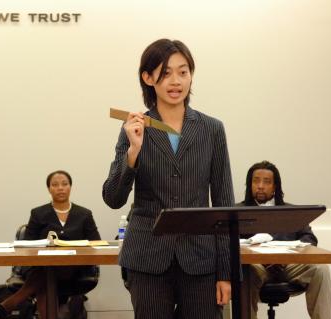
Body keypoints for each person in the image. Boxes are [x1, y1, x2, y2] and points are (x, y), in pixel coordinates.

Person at [103, 39, 234, 319]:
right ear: (148, 78)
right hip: (148, 257)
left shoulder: (212, 129)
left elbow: (224, 203)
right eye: (165, 73)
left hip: (200, 259)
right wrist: (133, 152)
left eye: (183, 72)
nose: (175, 81)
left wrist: (226, 272)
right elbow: (112, 198)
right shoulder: (134, 127)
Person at [0, 170, 101, 319]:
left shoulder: (84, 214)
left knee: (46, 276)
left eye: (64, 184)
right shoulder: (38, 213)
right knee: (47, 273)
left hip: (75, 269)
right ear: (49, 189)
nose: (60, 188)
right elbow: (26, 244)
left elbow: (96, 242)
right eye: (55, 185)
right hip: (40, 266)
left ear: (71, 187)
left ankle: (9, 304)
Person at [240, 160, 331, 319]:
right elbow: (228, 242)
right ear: (249, 185)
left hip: (289, 265)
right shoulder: (237, 212)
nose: (260, 185)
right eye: (256, 181)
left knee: (321, 269)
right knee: (245, 271)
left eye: (267, 182)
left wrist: (287, 257)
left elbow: (309, 238)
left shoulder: (292, 211)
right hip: (257, 268)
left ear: (275, 187)